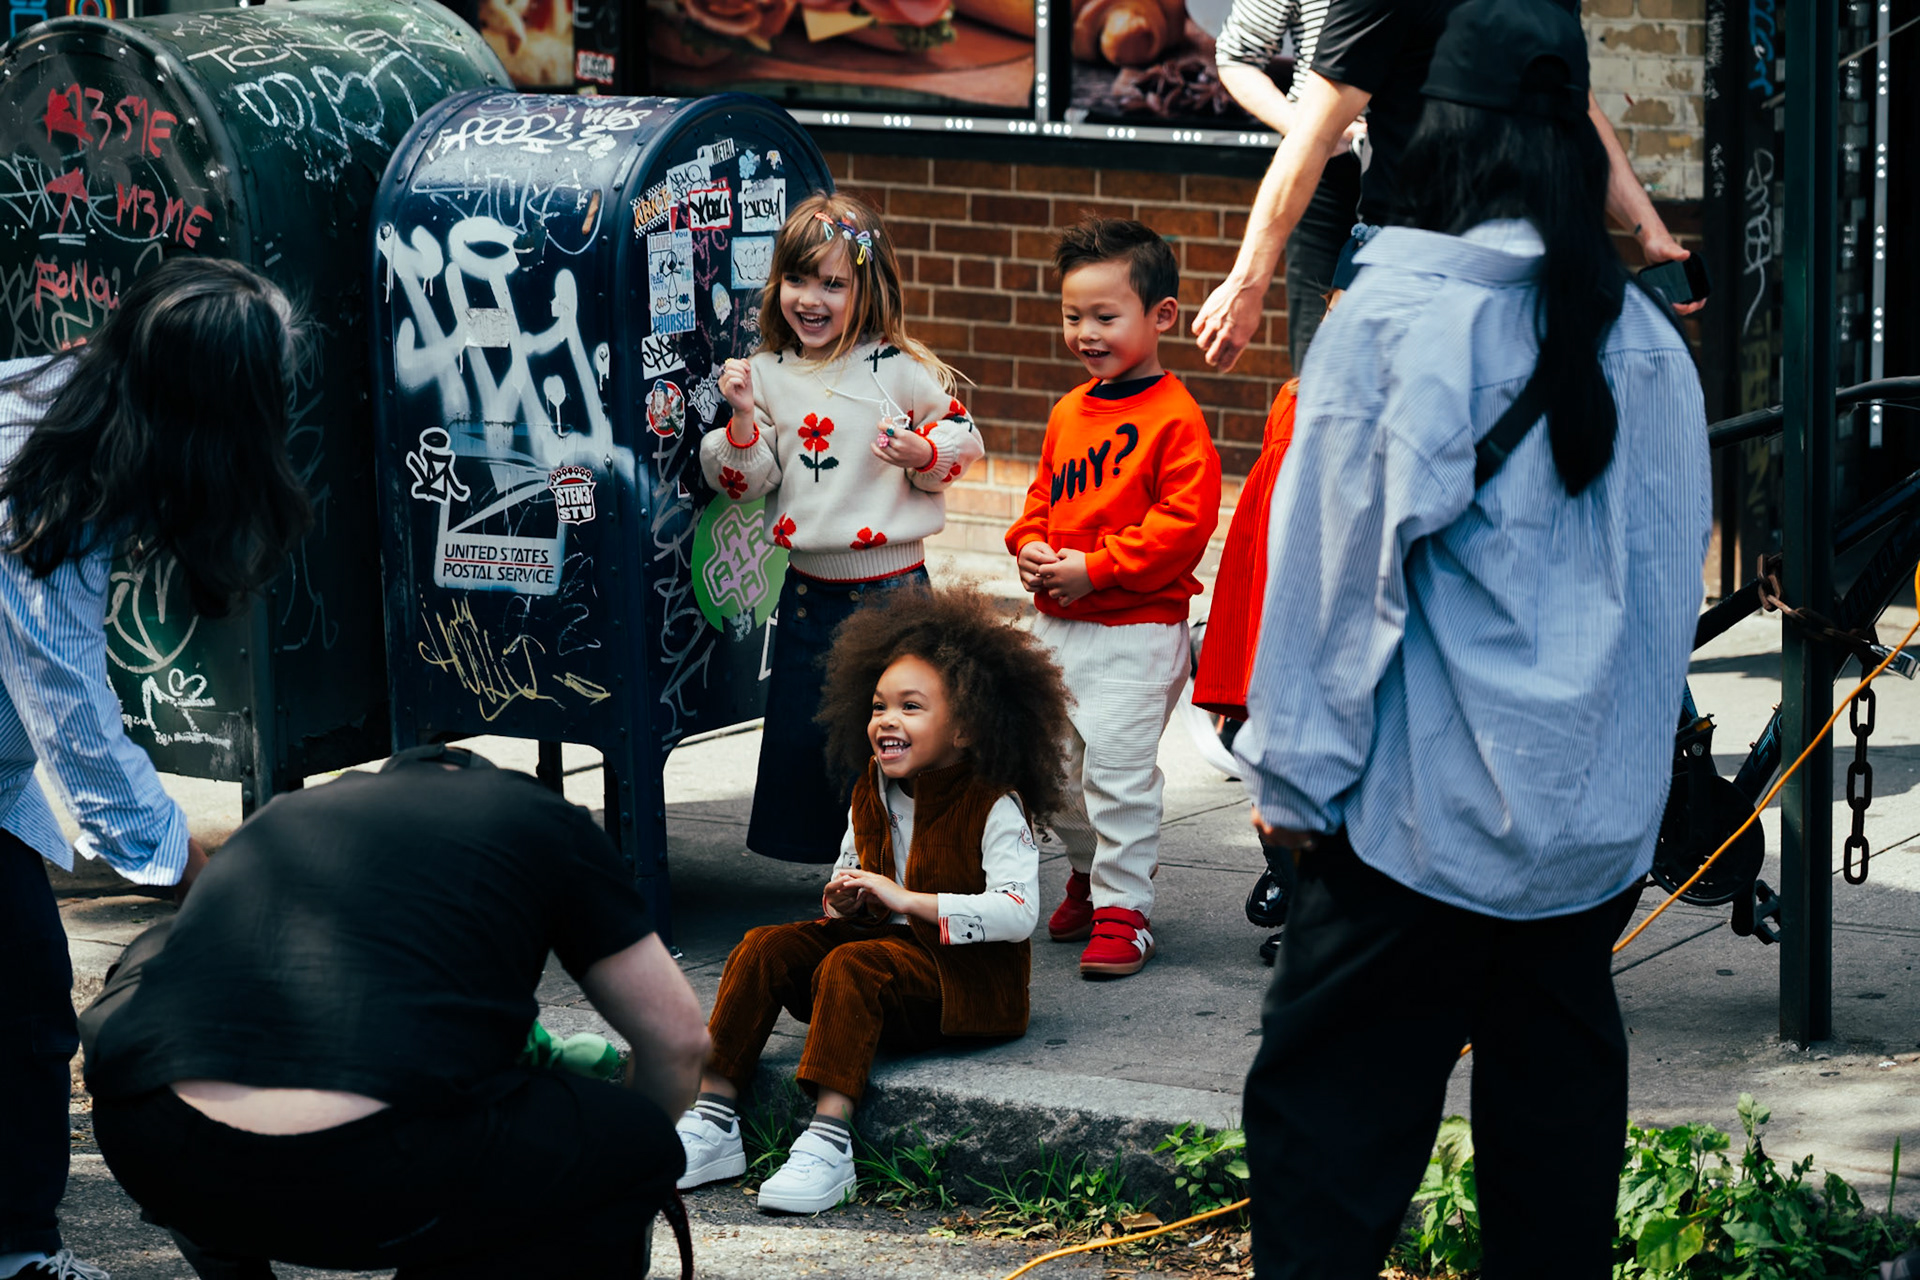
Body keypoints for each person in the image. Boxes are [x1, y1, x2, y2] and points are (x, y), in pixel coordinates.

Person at [1233, 0, 1710, 1274]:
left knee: (1323, 1177)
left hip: (1407, 844)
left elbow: (1328, 597)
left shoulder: (1394, 327)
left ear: (1429, 136)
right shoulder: (1654, 348)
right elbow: (1662, 620)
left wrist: (1288, 791)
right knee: (1555, 1204)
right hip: (1583, 860)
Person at [85, 744, 710, 1279]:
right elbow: (679, 1041)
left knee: (165, 972)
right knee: (633, 1144)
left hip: (156, 1144)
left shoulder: (287, 813)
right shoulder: (542, 817)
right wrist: (610, 1164)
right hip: (378, 1178)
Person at [0, 257, 312, 1280]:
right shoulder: (34, 471)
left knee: (24, 1004)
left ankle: (17, 1247)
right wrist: (173, 850)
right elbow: (68, 707)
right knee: (25, 999)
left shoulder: (82, 418)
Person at [673, 585, 1069, 1213]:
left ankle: (829, 1140)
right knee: (763, 946)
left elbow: (1019, 914)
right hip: (885, 959)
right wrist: (846, 901)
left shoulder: (993, 801)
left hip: (966, 986)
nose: (888, 720)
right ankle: (713, 1115)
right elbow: (848, 877)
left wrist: (908, 900)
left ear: (966, 727)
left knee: (853, 964)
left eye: (912, 707)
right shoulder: (871, 791)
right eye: (880, 705)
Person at [701, 192, 984, 866]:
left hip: (894, 595)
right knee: (812, 735)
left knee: (903, 738)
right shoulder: (765, 375)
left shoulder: (897, 368)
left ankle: (913, 864)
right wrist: (741, 416)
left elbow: (962, 433)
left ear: (868, 288)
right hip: (806, 596)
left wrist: (924, 453)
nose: (813, 298)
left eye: (834, 283)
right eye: (799, 279)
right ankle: (838, 873)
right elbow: (745, 479)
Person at [1191, 0, 1700, 373]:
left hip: (1515, 253)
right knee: (1331, 416)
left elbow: (1577, 109)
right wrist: (1248, 280)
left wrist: (1649, 232)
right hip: (1391, 238)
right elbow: (1312, 132)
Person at [1005, 218, 1222, 980]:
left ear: (1161, 316)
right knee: (1055, 773)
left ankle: (1125, 909)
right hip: (1057, 625)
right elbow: (1040, 498)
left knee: (1120, 776)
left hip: (1136, 628)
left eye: (1106, 316)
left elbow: (1183, 527)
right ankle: (1088, 880)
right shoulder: (1070, 412)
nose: (1086, 333)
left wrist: (1097, 569)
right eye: (1073, 316)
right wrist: (1028, 542)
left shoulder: (1176, 417)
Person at [1189, 378, 1299, 965]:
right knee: (1249, 733)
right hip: (1274, 573)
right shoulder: (1295, 396)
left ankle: (1317, 908)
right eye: (1332, 312)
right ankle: (1288, 870)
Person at [1213, 0, 1364, 369]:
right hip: (1327, 168)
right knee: (1316, 359)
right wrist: (1312, 132)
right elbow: (1237, 55)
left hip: (1421, 172)